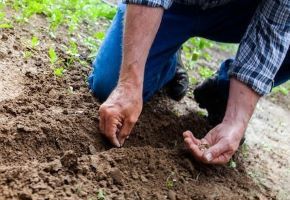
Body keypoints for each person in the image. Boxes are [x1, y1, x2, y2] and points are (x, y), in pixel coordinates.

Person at [88, 0, 290, 165]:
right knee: (109, 85)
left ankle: (225, 93)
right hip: (174, 6)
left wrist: (235, 121)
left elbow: (274, 29)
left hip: (239, 12)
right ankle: (169, 60)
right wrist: (129, 84)